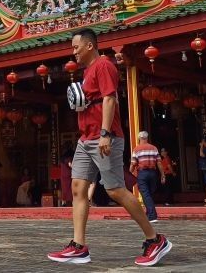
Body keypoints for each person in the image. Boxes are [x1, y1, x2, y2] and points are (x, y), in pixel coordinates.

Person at [48, 29, 172, 267]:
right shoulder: (87, 72)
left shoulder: (104, 65)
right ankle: (78, 246)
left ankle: (155, 239)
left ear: (89, 46)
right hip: (86, 138)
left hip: (105, 138)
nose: (73, 52)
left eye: (76, 47)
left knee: (115, 190)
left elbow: (109, 98)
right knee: (78, 188)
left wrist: (105, 133)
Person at [129, 131, 163, 223]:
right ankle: (149, 214)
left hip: (142, 173)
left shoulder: (136, 149)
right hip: (153, 173)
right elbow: (159, 162)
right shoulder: (154, 148)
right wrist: (163, 174)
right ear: (147, 138)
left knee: (146, 194)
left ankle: (152, 216)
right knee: (149, 194)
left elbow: (133, 163)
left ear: (139, 138)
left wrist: (129, 173)